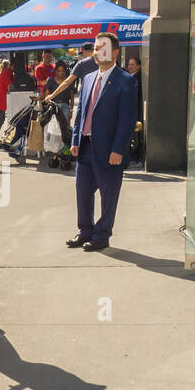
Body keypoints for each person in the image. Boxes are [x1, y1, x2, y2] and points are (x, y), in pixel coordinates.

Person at [66, 31, 138, 252]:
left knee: (108, 195)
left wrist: (118, 149)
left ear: (115, 52)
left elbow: (127, 121)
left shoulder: (126, 81)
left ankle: (102, 235)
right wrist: (75, 139)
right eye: (96, 48)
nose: (97, 52)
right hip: (86, 147)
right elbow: (81, 113)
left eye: (102, 48)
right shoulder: (87, 78)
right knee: (83, 191)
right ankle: (85, 231)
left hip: (109, 151)